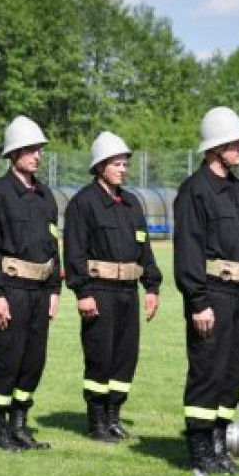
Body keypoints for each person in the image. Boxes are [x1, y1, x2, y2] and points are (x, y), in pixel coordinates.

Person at [174, 106, 239, 474]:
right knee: (208, 371)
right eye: (235, 143)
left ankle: (219, 445)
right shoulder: (195, 191)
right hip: (212, 294)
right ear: (216, 147)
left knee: (233, 372)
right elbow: (189, 250)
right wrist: (198, 301)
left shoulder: (238, 190)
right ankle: (200, 450)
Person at [64, 131, 162, 442]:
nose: (123, 169)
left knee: (124, 356)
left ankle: (114, 416)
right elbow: (74, 251)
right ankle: (96, 422)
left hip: (127, 292)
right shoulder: (84, 203)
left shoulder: (131, 203)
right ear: (101, 166)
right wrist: (83, 292)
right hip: (99, 290)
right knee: (100, 355)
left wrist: (152, 286)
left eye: (125, 164)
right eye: (117, 164)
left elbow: (143, 248)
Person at [0, 116, 61, 451]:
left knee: (33, 359)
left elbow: (53, 245)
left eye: (39, 150)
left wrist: (55, 289)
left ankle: (20, 424)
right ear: (14, 155)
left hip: (40, 290)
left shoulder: (45, 196)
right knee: (8, 357)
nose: (36, 156)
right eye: (29, 150)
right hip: (10, 288)